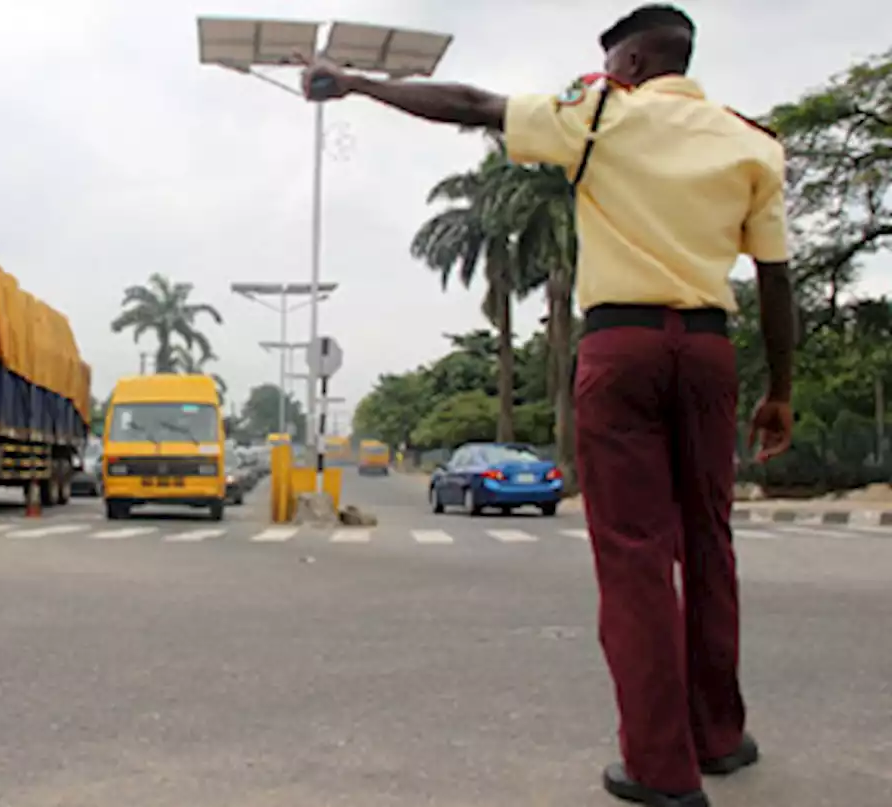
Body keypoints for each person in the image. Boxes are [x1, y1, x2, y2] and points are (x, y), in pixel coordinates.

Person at [297, 5, 794, 806]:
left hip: (621, 347)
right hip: (709, 352)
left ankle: (662, 769)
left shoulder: (598, 117)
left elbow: (472, 105)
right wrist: (782, 391)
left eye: (611, 60)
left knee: (634, 554)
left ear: (629, 59)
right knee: (710, 543)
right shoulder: (752, 143)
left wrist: (354, 83)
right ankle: (720, 735)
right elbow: (775, 276)